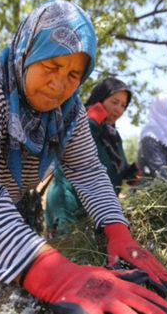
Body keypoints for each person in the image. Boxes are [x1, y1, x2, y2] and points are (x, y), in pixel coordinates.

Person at [0, 0, 167, 313]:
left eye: (74, 74)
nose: (59, 85)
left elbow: (89, 171)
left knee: (1, 301)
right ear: (27, 51)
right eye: (51, 66)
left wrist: (116, 229)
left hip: (13, 215)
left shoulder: (70, 113)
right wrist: (55, 276)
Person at [45, 77, 139, 236]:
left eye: (123, 106)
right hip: (67, 204)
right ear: (100, 99)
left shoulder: (114, 137)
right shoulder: (80, 124)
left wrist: (137, 170)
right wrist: (92, 122)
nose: (119, 110)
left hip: (95, 212)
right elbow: (69, 151)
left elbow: (118, 171)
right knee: (68, 253)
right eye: (114, 102)